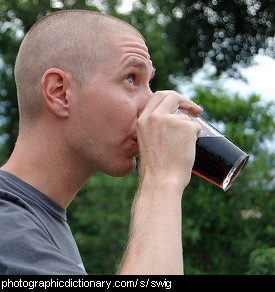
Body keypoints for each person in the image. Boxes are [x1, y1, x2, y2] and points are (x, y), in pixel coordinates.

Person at [0, 9, 202, 275]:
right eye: (131, 79)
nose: (150, 106)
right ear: (60, 93)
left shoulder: (38, 219)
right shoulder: (6, 225)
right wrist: (163, 181)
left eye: (148, 84)